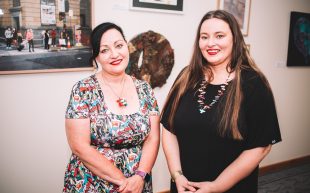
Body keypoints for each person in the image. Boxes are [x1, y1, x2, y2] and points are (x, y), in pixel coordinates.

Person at [161, 10, 282, 193]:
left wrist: (217, 187)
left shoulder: (253, 84)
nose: (210, 43)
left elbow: (260, 147)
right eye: (204, 37)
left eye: (219, 36)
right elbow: (169, 129)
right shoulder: (186, 77)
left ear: (235, 39)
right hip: (184, 186)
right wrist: (177, 175)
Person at [63, 22, 160, 193]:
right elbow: (79, 145)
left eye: (119, 45)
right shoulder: (83, 89)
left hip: (138, 182)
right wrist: (124, 182)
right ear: (96, 57)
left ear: (126, 46)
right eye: (104, 50)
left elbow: (152, 138)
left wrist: (139, 176)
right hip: (92, 183)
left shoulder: (145, 89)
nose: (114, 54)